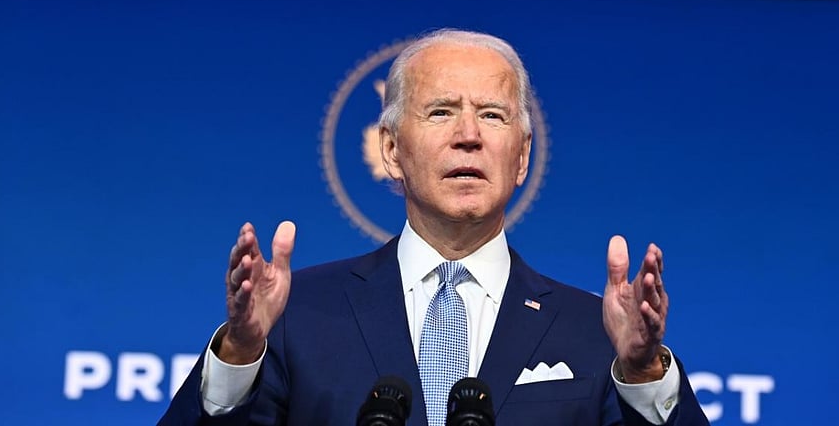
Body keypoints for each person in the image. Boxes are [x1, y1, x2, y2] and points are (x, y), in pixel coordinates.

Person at [161, 29, 709, 426]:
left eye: (492, 115)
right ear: (391, 150)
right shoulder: (296, 316)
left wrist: (642, 374)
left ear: (521, 157)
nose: (469, 135)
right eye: (442, 112)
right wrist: (239, 353)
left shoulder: (598, 332)